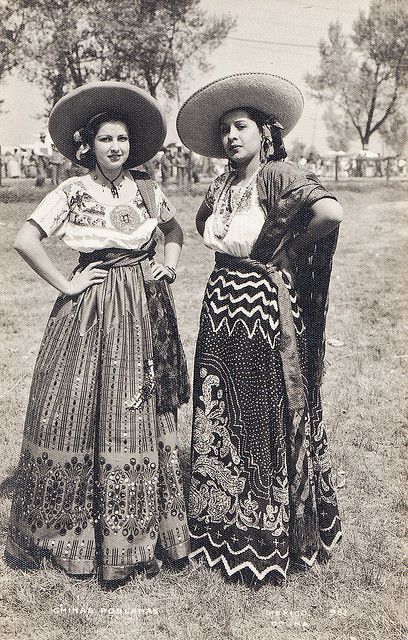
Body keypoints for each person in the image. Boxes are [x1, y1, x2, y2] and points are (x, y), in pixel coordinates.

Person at [5, 81, 190, 586]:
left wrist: (167, 266)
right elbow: (25, 239)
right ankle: (74, 525)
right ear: (89, 145)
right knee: (80, 403)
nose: (116, 148)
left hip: (143, 303)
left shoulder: (148, 189)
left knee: (136, 404)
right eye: (106, 139)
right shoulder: (71, 191)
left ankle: (143, 532)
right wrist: (67, 282)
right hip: (92, 305)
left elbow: (173, 233)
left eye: (123, 139)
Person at [177, 73, 343, 584]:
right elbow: (208, 225)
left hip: (261, 306)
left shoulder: (277, 175)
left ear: (264, 133)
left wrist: (285, 248)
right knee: (220, 411)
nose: (231, 136)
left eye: (241, 126)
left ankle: (267, 532)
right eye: (225, 129)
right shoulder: (223, 183)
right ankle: (219, 523)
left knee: (262, 413)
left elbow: (330, 213)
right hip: (221, 305)